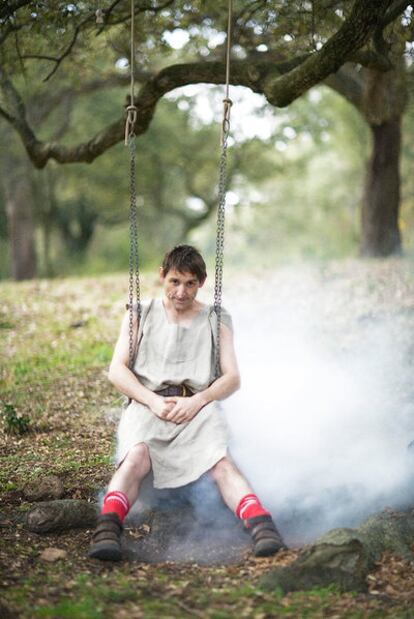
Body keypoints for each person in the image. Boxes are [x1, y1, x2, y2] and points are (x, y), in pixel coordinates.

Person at [89, 245, 286, 561]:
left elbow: (232, 377)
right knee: (136, 456)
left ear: (202, 282)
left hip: (197, 406)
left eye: (190, 283)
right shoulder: (139, 313)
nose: (181, 292)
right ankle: (107, 530)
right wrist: (152, 401)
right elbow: (117, 370)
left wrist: (199, 401)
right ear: (162, 276)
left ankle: (262, 527)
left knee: (220, 461)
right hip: (146, 404)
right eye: (175, 282)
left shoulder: (215, 319)